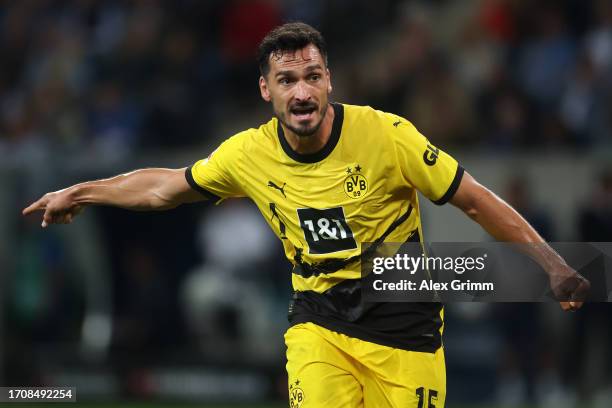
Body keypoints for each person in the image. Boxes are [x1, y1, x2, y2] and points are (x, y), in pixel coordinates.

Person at [23, 22, 589, 408]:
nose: (301, 91)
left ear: (329, 82)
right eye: (287, 80)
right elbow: (163, 188)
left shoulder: (387, 137)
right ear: (266, 89)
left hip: (405, 325)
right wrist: (81, 191)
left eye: (312, 76)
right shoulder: (247, 153)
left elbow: (475, 199)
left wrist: (550, 263)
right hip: (320, 322)